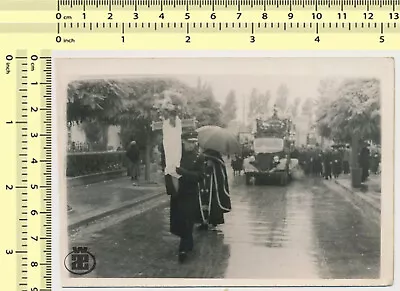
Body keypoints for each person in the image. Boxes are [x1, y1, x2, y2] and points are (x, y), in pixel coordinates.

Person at [162, 132, 204, 263]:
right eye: (189, 142)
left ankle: (183, 250)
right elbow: (167, 168)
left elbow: (199, 176)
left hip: (190, 193)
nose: (191, 145)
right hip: (178, 193)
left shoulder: (199, 157)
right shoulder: (177, 156)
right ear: (183, 142)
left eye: (193, 142)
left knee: (187, 220)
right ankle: (188, 241)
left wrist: (183, 172)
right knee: (179, 221)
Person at [196, 148, 232, 231]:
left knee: (213, 201)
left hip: (213, 185)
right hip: (202, 181)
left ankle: (213, 220)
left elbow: (220, 172)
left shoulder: (217, 157)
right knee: (201, 199)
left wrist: (214, 165)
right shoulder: (201, 154)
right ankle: (202, 220)